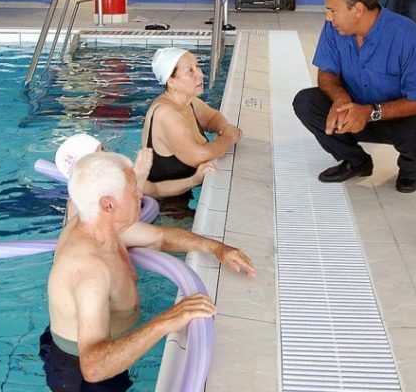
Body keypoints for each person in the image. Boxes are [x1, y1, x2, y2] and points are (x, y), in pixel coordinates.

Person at [41, 150, 256, 391]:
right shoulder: (89, 269)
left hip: (95, 343)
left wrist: (217, 248)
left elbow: (161, 238)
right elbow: (94, 367)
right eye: (133, 190)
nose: (140, 194)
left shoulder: (100, 225)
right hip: (81, 372)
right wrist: (165, 321)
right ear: (108, 204)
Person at [292, 0, 416, 194]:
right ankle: (356, 161)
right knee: (305, 102)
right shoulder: (333, 28)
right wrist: (340, 98)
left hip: (394, 117)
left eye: (333, 10)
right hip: (352, 110)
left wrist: (369, 112)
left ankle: (410, 166)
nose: (328, 17)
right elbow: (326, 73)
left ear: (358, 9)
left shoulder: (408, 37)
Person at [140, 47, 243, 198]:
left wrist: (223, 128)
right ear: (172, 81)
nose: (200, 74)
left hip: (186, 195)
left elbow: (212, 118)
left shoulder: (188, 101)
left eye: (198, 66)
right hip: (167, 208)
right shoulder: (166, 114)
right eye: (190, 71)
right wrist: (228, 137)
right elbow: (200, 156)